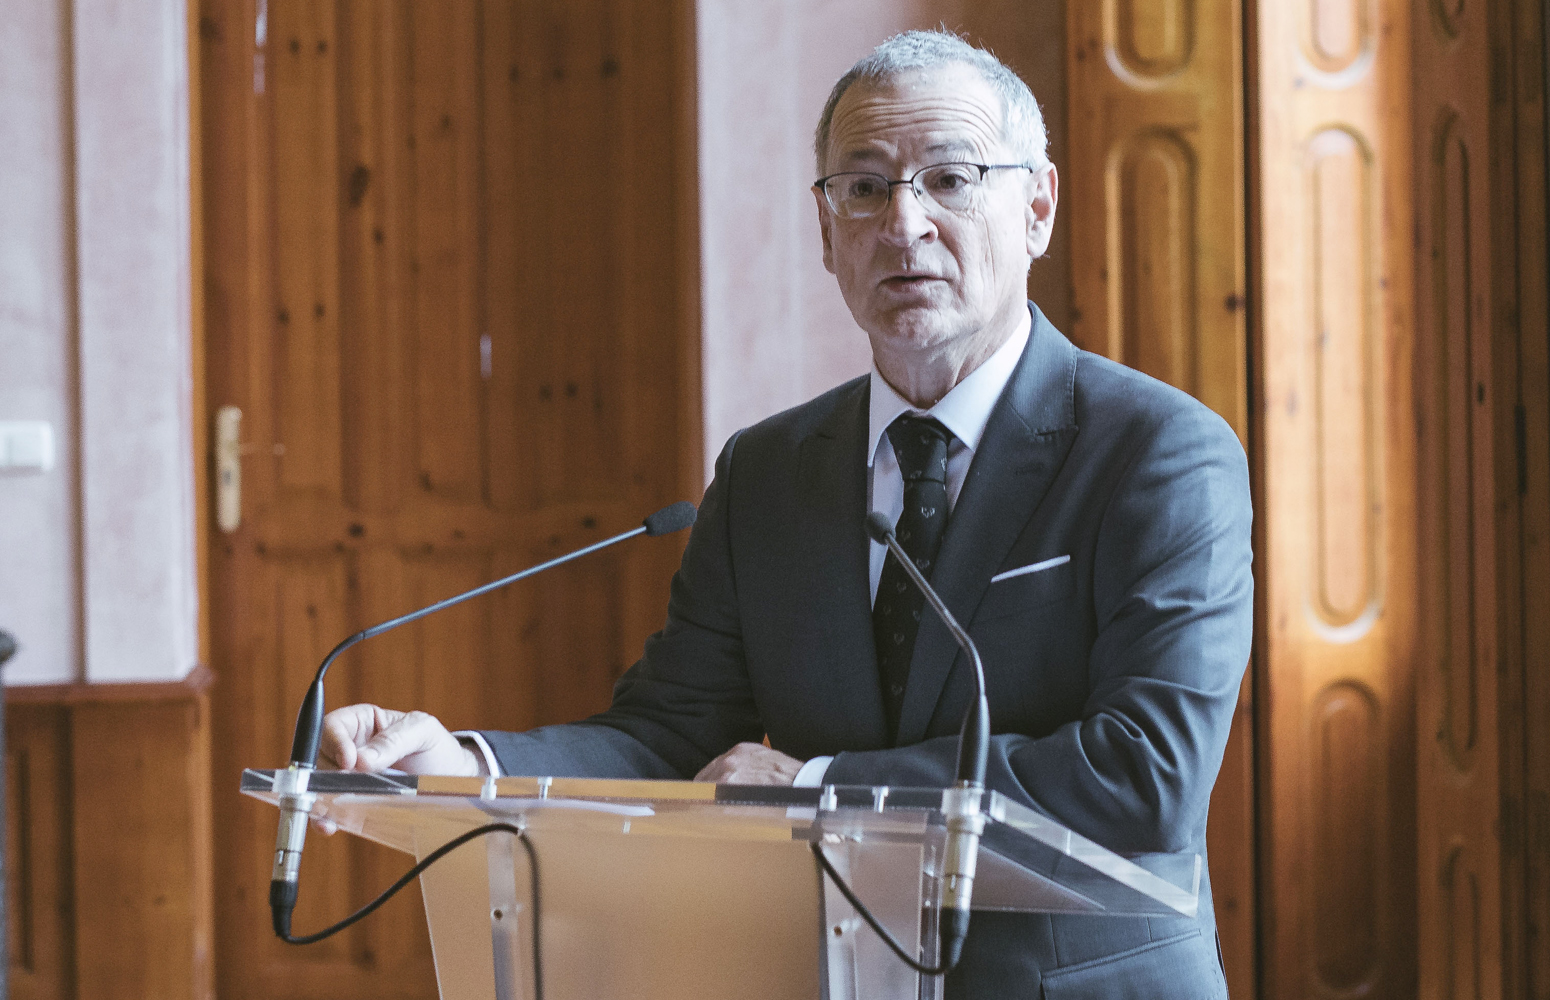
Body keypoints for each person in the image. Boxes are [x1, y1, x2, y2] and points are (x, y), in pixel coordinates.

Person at [321, 30, 1250, 998]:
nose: (904, 223)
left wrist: (815, 789)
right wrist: (463, 765)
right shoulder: (767, 471)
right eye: (864, 187)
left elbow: (1147, 776)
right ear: (825, 231)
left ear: (1037, 209)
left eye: (949, 178)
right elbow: (669, 736)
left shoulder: (1158, 452)